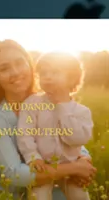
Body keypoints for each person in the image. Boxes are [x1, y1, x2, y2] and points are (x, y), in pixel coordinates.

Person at [0, 40, 96, 198]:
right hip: (8, 194)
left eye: (20, 63)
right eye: (4, 68)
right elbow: (14, 174)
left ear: (30, 66)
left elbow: (67, 139)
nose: (15, 72)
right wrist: (74, 168)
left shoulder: (49, 100)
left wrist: (84, 159)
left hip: (49, 183)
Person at [15, 52, 94, 200]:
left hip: (71, 168)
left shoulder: (82, 112)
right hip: (43, 166)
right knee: (38, 197)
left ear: (71, 78)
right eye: (43, 73)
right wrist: (33, 157)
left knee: (80, 196)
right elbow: (25, 133)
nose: (48, 77)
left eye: (55, 72)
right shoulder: (32, 103)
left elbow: (77, 139)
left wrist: (62, 107)